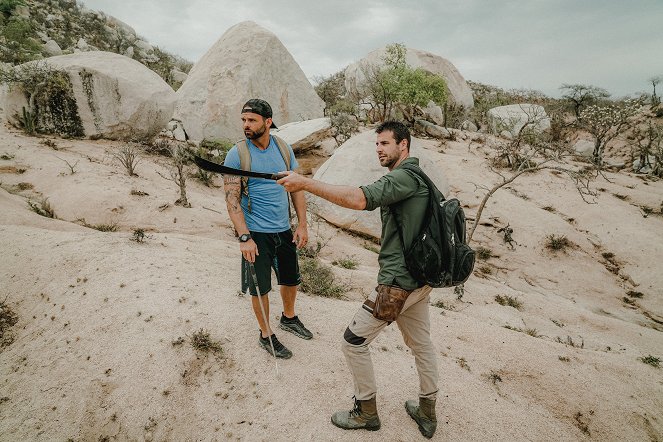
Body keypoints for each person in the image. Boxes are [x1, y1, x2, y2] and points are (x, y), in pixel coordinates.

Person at [277, 121, 439, 438]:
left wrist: (305, 183)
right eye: (376, 144)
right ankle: (427, 411)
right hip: (421, 281)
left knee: (353, 342)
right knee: (422, 345)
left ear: (403, 145)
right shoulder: (423, 178)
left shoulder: (403, 177)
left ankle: (366, 412)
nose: (378, 149)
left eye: (385, 144)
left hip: (399, 285)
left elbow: (359, 199)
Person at [223, 98, 312, 360]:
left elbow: (295, 188)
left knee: (290, 279)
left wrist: (302, 225)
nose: (246, 125)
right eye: (243, 120)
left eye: (251, 120)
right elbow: (231, 200)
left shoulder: (283, 148)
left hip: (283, 228)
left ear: (268, 122)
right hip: (256, 234)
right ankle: (266, 334)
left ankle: (289, 317)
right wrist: (244, 237)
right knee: (260, 287)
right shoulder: (237, 154)